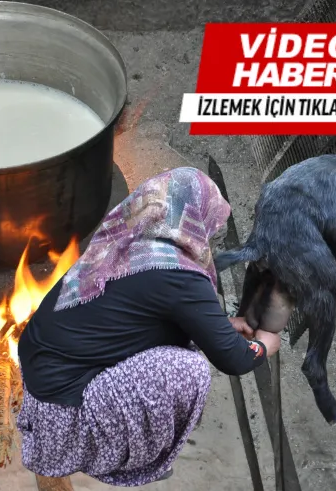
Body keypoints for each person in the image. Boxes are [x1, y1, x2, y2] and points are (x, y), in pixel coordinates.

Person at [16, 167, 282, 489]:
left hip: (40, 379)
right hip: (66, 412)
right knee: (189, 370)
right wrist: (263, 345)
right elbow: (235, 359)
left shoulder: (127, 239)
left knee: (176, 344)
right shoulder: (181, 275)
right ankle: (138, 453)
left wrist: (221, 327)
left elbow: (139, 315)